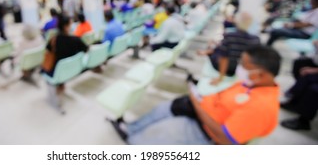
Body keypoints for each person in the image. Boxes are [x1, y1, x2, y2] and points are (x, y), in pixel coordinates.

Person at [110, 45, 281, 145]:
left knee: (158, 133)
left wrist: (197, 103)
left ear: (262, 74)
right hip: (198, 108)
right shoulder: (250, 84)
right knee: (161, 110)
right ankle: (129, 129)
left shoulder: (261, 107)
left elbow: (225, 138)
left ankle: (134, 141)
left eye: (244, 65)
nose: (239, 68)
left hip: (204, 131)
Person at [197, 12, 260, 85]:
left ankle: (206, 52)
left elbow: (224, 58)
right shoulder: (255, 40)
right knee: (218, 48)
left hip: (227, 69)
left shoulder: (230, 36)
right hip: (240, 68)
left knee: (216, 49)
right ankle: (207, 52)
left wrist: (220, 78)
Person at [41, 15, 88, 94]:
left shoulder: (53, 41)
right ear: (66, 26)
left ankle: (58, 86)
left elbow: (47, 51)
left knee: (44, 69)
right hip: (75, 69)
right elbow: (86, 49)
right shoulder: (76, 40)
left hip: (59, 72)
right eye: (71, 24)